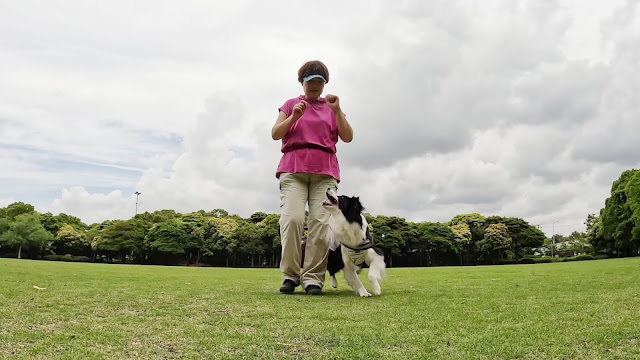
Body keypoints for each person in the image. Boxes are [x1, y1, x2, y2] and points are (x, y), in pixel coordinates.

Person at [271, 60, 353, 295]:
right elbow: (276, 134)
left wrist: (337, 111)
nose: (315, 86)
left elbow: (347, 137)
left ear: (325, 84)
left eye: (319, 82)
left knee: (320, 224)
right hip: (293, 169)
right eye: (310, 82)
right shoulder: (290, 104)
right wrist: (294, 117)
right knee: (293, 220)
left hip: (325, 171)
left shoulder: (331, 107)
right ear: (302, 82)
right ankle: (290, 275)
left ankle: (313, 280)